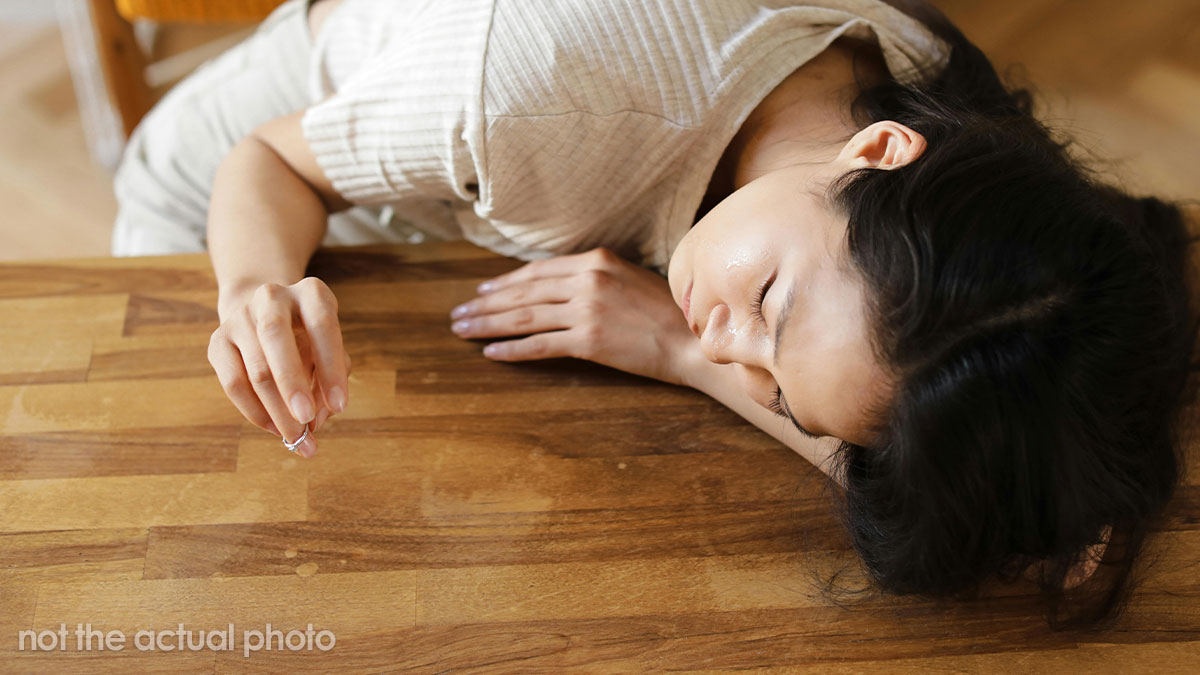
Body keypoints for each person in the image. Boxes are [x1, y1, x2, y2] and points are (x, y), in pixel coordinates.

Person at [113, 0, 1199, 631]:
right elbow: (267, 161)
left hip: (475, 194)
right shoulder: (529, 101)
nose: (728, 346)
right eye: (764, 307)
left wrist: (677, 349)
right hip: (247, 180)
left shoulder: (977, 190)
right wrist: (253, 290)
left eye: (776, 392)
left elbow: (887, 435)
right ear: (875, 154)